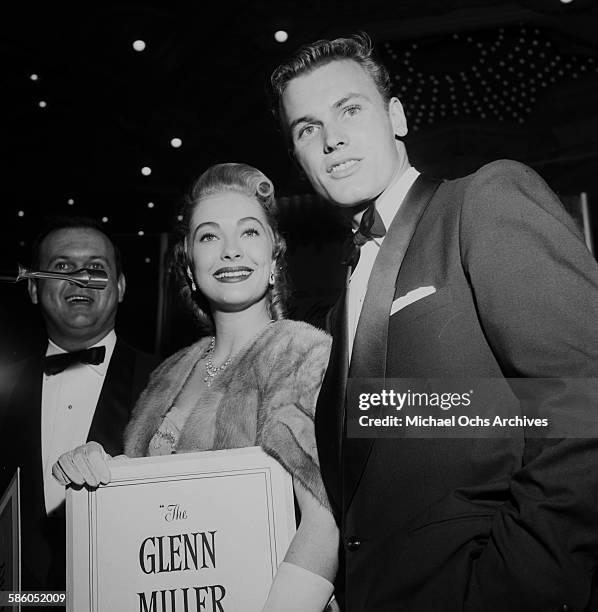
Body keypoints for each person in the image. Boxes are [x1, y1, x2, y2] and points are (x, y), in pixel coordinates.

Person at [270, 33, 598, 611]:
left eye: (349, 108)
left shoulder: (481, 200)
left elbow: (583, 405)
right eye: (306, 128)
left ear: (396, 116)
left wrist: (510, 592)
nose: (331, 138)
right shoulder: (338, 300)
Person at [53, 164, 339, 612]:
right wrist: (101, 473)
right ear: (189, 263)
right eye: (209, 236)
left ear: (274, 258)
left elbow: (323, 522)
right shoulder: (169, 372)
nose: (230, 251)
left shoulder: (300, 352)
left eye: (248, 233)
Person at [0, 216, 157, 595]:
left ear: (119, 288)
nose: (80, 278)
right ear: (34, 288)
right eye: (63, 267)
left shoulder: (167, 383)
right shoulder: (3, 392)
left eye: (95, 268)